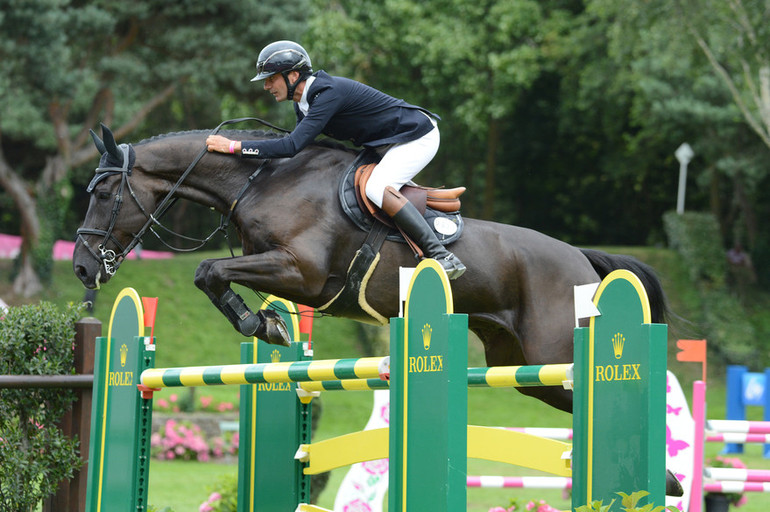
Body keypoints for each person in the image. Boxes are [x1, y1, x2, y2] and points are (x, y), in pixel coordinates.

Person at [205, 40, 465, 279]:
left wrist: (234, 147)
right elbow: (303, 148)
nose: (266, 86)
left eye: (271, 79)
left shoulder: (327, 94)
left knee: (376, 188)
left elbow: (291, 146)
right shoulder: (303, 103)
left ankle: (442, 256)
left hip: (416, 136)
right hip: (384, 144)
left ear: (293, 76)